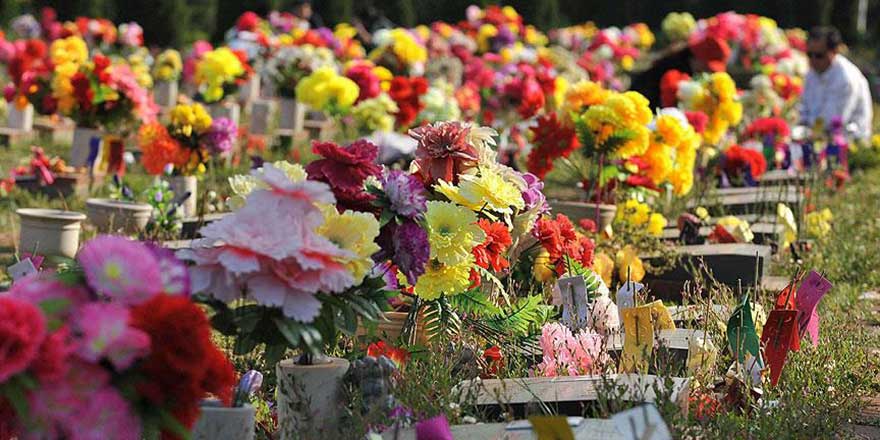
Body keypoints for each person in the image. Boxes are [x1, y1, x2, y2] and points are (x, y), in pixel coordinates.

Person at [800, 26, 873, 141]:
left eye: (819, 55)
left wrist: (803, 131)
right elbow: (804, 107)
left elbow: (832, 121)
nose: (813, 60)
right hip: (818, 136)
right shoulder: (813, 72)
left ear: (834, 51)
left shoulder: (846, 78)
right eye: (809, 54)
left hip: (850, 143)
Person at [629, 35, 730, 107]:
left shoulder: (683, 67)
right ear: (696, 57)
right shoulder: (672, 71)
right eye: (707, 66)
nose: (708, 72)